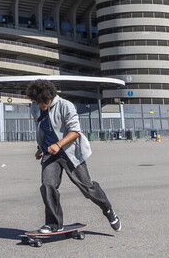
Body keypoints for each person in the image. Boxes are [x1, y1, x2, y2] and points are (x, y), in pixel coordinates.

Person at [26, 79, 121, 234]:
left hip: (70, 153)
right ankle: (53, 223)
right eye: (35, 101)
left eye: (40, 102)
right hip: (50, 153)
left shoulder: (66, 106)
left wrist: (58, 144)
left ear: (48, 98)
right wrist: (40, 148)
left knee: (87, 188)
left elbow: (75, 131)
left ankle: (108, 209)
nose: (37, 105)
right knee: (48, 185)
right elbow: (43, 128)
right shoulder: (35, 108)